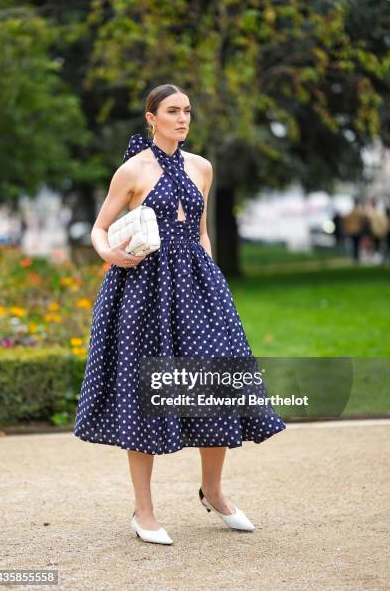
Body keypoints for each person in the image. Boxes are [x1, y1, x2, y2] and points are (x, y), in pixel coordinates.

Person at [73, 83, 286, 545]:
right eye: (173, 111)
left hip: (199, 286)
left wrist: (209, 273)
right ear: (152, 117)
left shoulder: (202, 167)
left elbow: (203, 231)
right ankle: (143, 512)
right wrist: (111, 254)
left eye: (187, 110)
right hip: (144, 291)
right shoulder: (131, 171)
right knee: (144, 393)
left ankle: (212, 491)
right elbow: (99, 228)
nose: (183, 118)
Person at [342, 196, 368, 263]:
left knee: (354, 244)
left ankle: (354, 257)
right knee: (357, 244)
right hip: (358, 230)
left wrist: (347, 228)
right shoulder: (359, 211)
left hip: (352, 231)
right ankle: (356, 257)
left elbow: (346, 219)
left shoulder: (351, 211)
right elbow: (365, 217)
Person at [366, 198, 389, 263]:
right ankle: (379, 258)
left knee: (377, 246)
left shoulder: (374, 213)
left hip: (376, 232)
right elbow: (385, 223)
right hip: (379, 232)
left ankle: (379, 258)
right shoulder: (378, 213)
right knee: (378, 246)